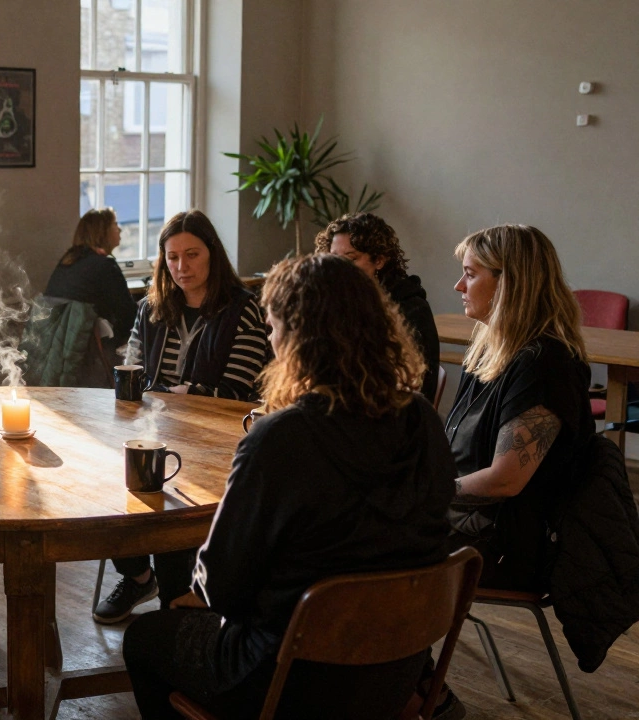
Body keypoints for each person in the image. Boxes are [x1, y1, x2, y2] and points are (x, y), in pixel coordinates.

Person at [122, 253, 455, 719]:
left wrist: (196, 591)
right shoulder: (421, 417)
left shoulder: (281, 438)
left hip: (289, 674)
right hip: (395, 665)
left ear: (300, 339)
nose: (271, 341)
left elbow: (222, 587)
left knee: (144, 637)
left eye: (274, 327)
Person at [95, 209, 269, 625]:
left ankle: (176, 604)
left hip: (215, 440)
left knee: (171, 517)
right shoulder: (152, 309)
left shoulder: (243, 309)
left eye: (192, 255)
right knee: (104, 495)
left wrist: (185, 395)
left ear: (213, 254)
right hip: (155, 432)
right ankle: (138, 576)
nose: (181, 267)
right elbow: (133, 374)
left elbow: (237, 393)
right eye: (172, 257)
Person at [446, 224, 592, 590]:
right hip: (470, 523)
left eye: (469, 275)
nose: (459, 287)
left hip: (503, 545)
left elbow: (506, 479)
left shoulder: (544, 364)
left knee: (363, 541)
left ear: (508, 283)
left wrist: (428, 494)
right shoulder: (491, 351)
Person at [315, 212, 440, 400]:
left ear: (379, 260)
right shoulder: (337, 303)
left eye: (351, 258)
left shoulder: (410, 308)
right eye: (334, 258)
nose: (339, 268)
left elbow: (416, 388)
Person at [43, 207, 138, 351]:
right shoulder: (104, 265)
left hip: (58, 348)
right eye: (115, 224)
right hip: (92, 350)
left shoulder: (69, 260)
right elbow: (130, 317)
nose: (120, 229)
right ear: (103, 231)